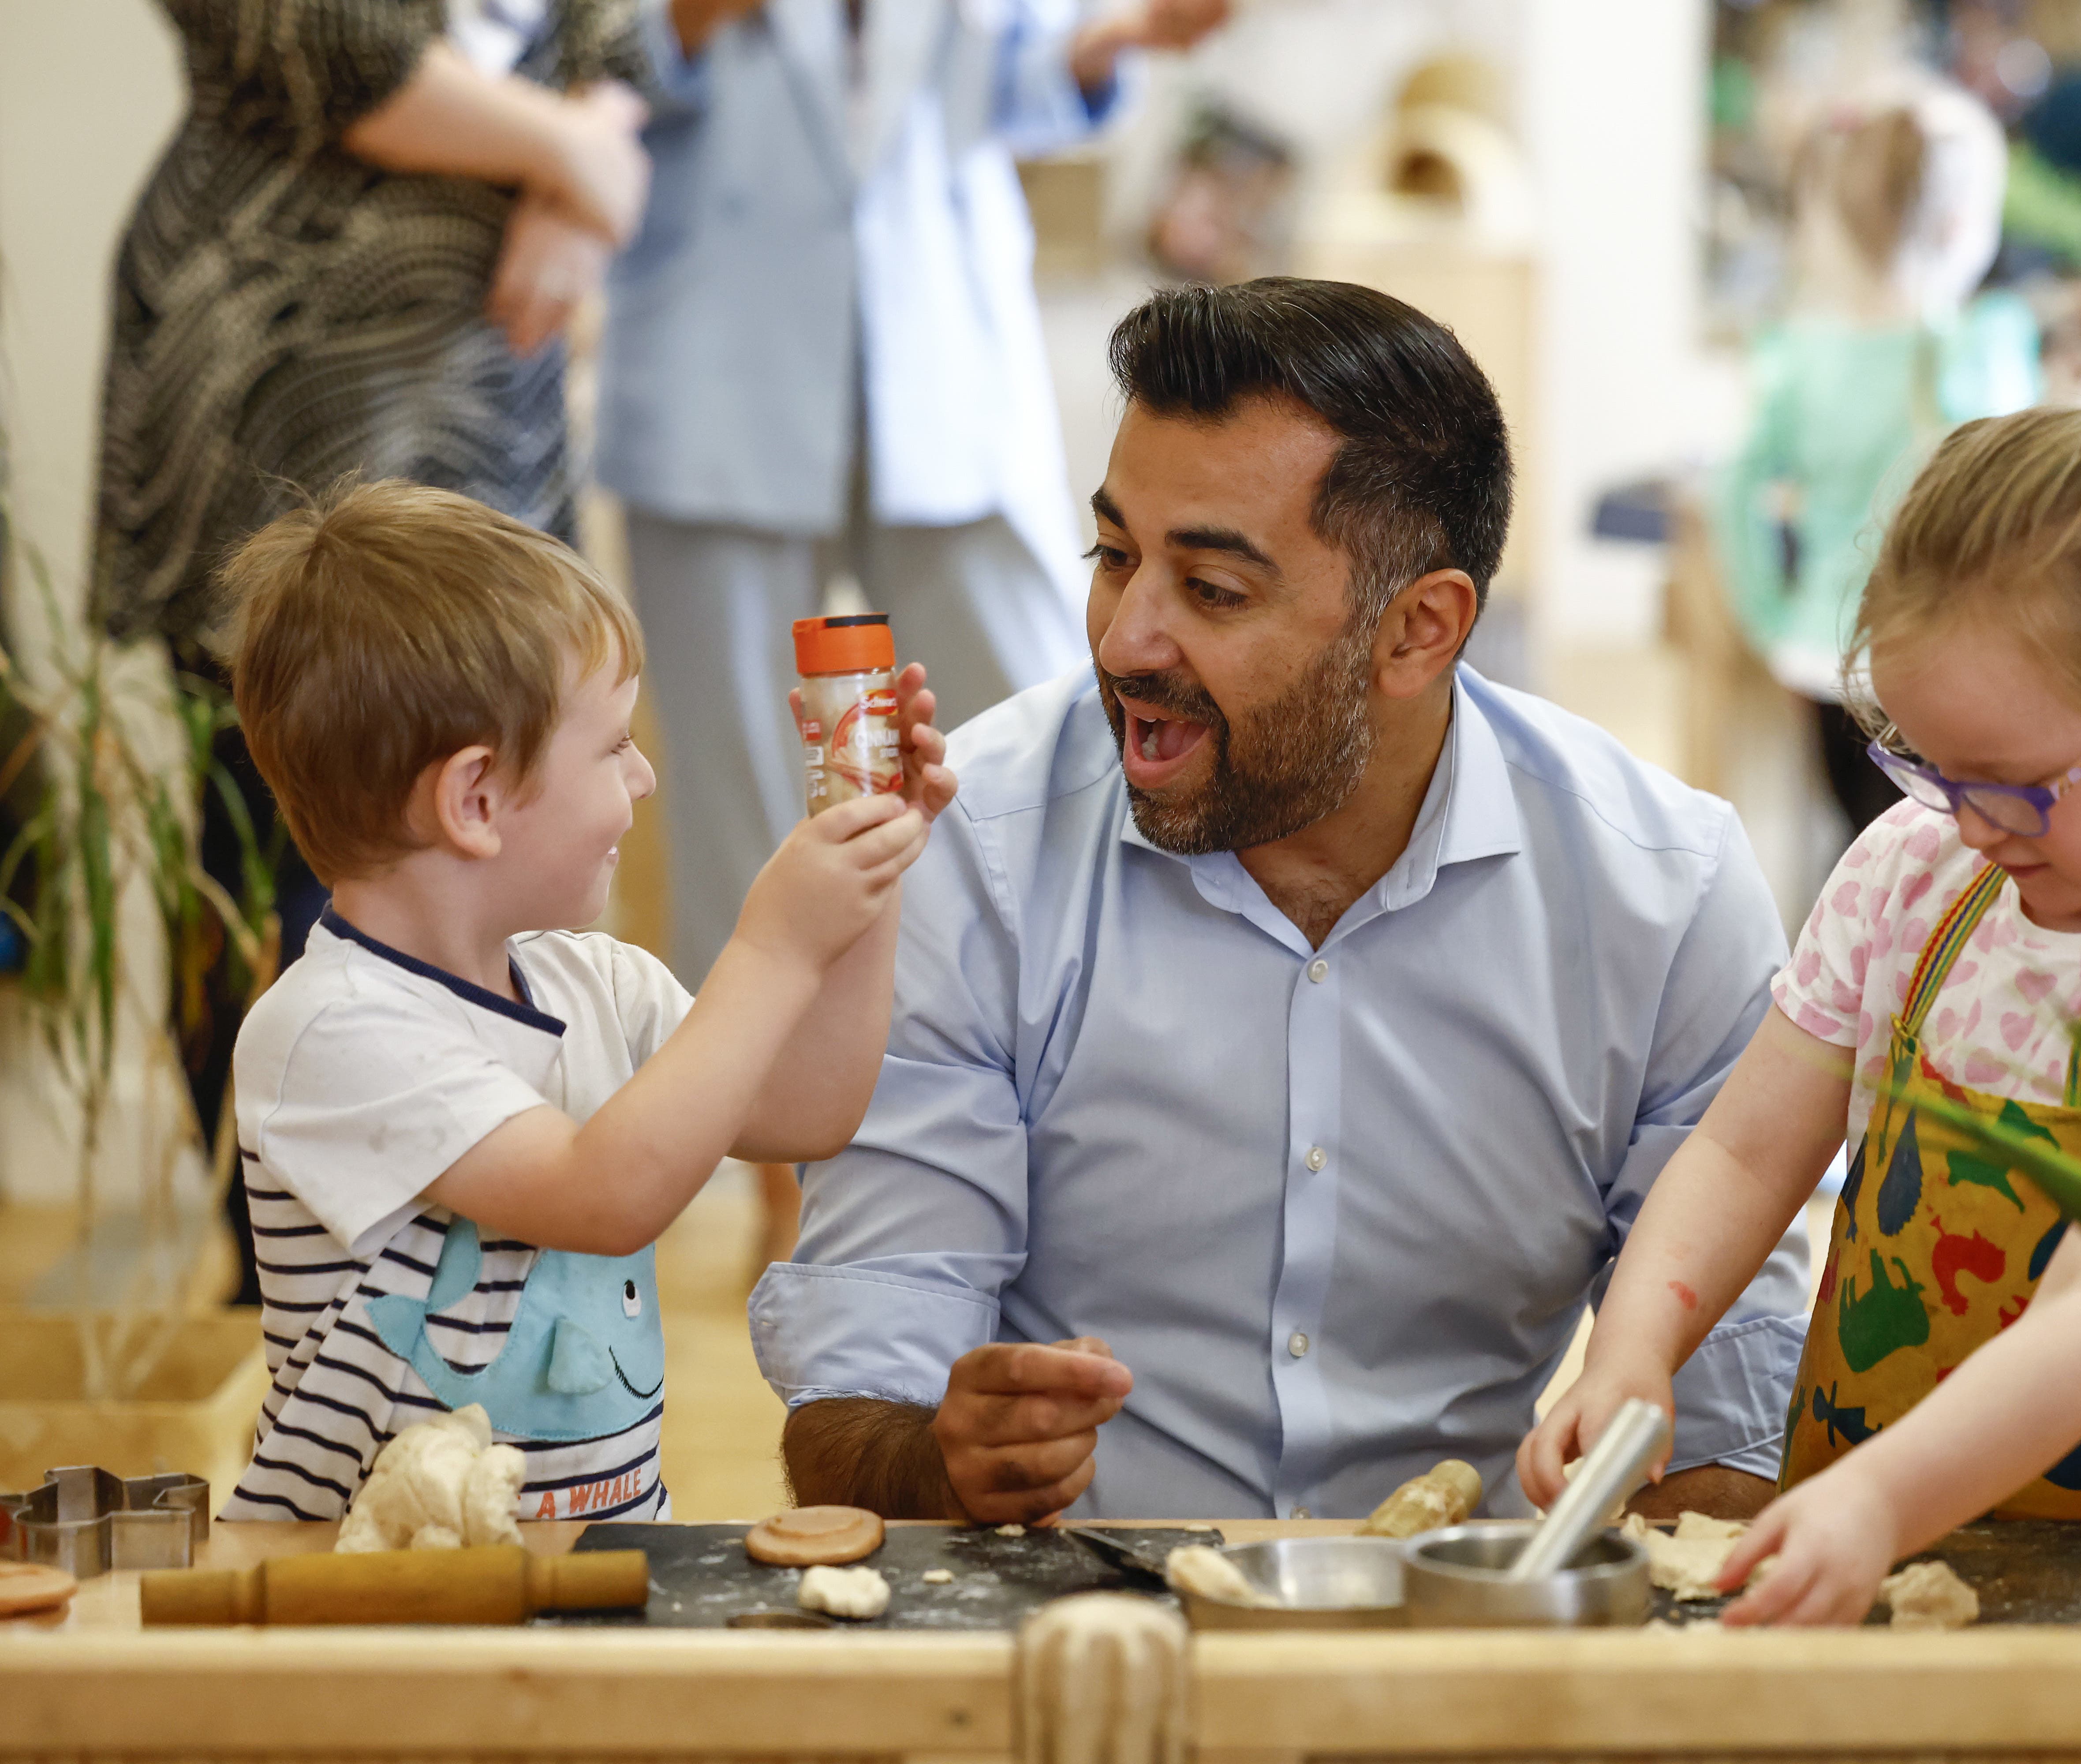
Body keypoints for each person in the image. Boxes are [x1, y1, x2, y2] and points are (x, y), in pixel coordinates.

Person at [752, 280, 1814, 1525]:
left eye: (1212, 591)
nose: (1123, 641)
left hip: (1457, 1647)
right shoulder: (971, 848)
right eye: (1113, 556)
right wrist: (946, 1460)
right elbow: (855, 1404)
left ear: (1420, 630)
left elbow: (1727, 1425)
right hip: (1066, 1650)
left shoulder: (1662, 895)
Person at [1524, 406, 2081, 1626]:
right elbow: (1750, 1152)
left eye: (2019, 785)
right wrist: (1636, 1351)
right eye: (1932, 766)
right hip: (1885, 1545)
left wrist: (1880, 1501)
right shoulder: (1917, 871)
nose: (1971, 825)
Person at [213, 481, 952, 1523]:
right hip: (375, 1613)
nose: (644, 776)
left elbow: (808, 1112)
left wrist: (867, 881)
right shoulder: (327, 1032)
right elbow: (606, 1195)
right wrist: (773, 944)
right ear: (474, 800)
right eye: (612, 745)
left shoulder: (595, 980)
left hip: (599, 1568)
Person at [93, 0, 664, 1300]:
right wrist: (576, 159)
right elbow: (333, 43)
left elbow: (607, 36)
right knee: (285, 837)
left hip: (480, 381)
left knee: (502, 806)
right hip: (282, 367)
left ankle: (493, 1234)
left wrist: (587, 177)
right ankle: (293, 1281)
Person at [601, 0, 1229, 1003]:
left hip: (940, 359)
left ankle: (1062, 1022)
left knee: (1038, 726)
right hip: (717, 364)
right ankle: (763, 1130)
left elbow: (1011, 83)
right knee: (743, 789)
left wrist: (1113, 44)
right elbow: (586, 67)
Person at [1714, 78, 2036, 837]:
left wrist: (1771, 614)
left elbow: (1730, 492)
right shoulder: (1985, 344)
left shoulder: (1796, 355)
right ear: (1966, 222)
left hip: (1820, 649)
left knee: (1865, 847)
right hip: (1949, 653)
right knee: (1934, 852)